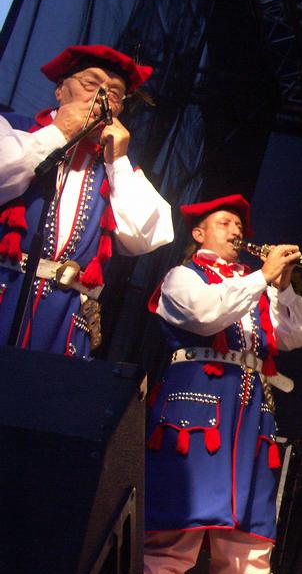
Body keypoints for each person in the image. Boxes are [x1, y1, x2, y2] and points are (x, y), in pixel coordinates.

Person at [132, 194, 302, 574]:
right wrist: (262, 278)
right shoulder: (184, 276)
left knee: (248, 514)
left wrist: (284, 288)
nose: (236, 231)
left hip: (249, 403)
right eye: (225, 223)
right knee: (181, 502)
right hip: (198, 400)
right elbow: (205, 314)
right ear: (199, 233)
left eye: (239, 225)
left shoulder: (255, 285)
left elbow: (295, 335)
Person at [0, 44, 173, 355]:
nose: (102, 97)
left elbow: (146, 238)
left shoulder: (117, 168)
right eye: (91, 83)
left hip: (64, 318)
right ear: (60, 90)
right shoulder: (13, 128)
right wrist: (59, 132)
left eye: (115, 94)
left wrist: (118, 161)